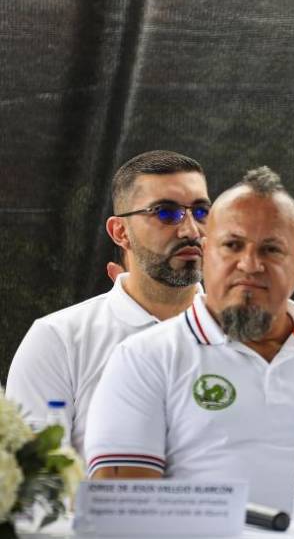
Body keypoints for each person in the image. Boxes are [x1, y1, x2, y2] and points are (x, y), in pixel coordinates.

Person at [85, 167, 294, 518]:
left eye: (271, 249)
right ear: (205, 251)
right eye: (232, 245)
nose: (249, 264)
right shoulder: (143, 359)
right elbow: (121, 513)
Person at [6, 150, 209, 455]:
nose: (191, 230)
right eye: (166, 213)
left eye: (201, 212)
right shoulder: (59, 340)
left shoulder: (248, 337)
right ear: (120, 232)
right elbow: (35, 476)